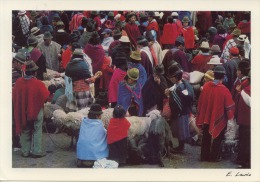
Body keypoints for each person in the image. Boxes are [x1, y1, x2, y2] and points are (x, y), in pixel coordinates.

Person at [196, 65, 235, 162]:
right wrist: (230, 117)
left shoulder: (206, 86)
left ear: (214, 75)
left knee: (206, 136)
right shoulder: (224, 90)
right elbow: (229, 107)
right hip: (219, 118)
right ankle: (214, 157)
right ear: (223, 76)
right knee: (218, 137)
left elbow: (200, 102)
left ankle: (203, 156)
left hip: (206, 117)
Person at [13, 60, 49, 158]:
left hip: (23, 112)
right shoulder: (39, 84)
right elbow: (46, 97)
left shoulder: (19, 82)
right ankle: (37, 151)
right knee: (37, 129)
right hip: (36, 111)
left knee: (25, 130)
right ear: (34, 72)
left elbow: (14, 97)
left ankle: (25, 151)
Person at [165, 64, 194, 153]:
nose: (171, 79)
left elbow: (181, 98)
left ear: (177, 76)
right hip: (181, 111)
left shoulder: (180, 87)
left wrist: (169, 95)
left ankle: (182, 146)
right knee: (179, 129)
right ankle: (181, 145)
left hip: (181, 112)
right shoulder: (182, 85)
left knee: (181, 130)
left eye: (172, 77)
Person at [235, 70, 251, 168]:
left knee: (243, 141)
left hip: (243, 121)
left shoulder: (243, 91)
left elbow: (238, 105)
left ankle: (242, 160)